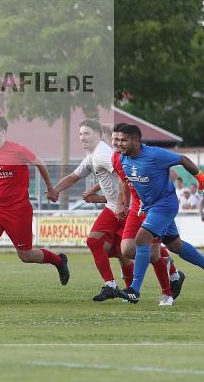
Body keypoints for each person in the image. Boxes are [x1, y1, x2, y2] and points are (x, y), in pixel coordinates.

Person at [0, 116, 68, 304]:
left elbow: (40, 163)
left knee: (26, 255)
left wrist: (51, 188)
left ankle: (58, 261)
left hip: (19, 210)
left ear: (2, 132)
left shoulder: (18, 150)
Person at [112, 124, 204, 305]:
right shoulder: (120, 158)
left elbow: (183, 159)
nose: (118, 143)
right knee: (175, 246)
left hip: (165, 205)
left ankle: (134, 290)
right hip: (149, 207)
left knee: (141, 240)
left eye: (123, 140)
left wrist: (201, 178)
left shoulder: (154, 154)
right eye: (116, 140)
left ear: (136, 141)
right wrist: (126, 204)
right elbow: (125, 182)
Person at [51, 120, 132, 302]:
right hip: (114, 208)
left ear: (98, 135)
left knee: (141, 251)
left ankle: (171, 273)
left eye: (86, 133)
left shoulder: (103, 153)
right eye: (80, 134)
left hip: (127, 207)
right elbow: (73, 176)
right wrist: (55, 190)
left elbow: (123, 177)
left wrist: (120, 203)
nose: (82, 138)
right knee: (97, 243)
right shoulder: (93, 156)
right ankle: (112, 286)